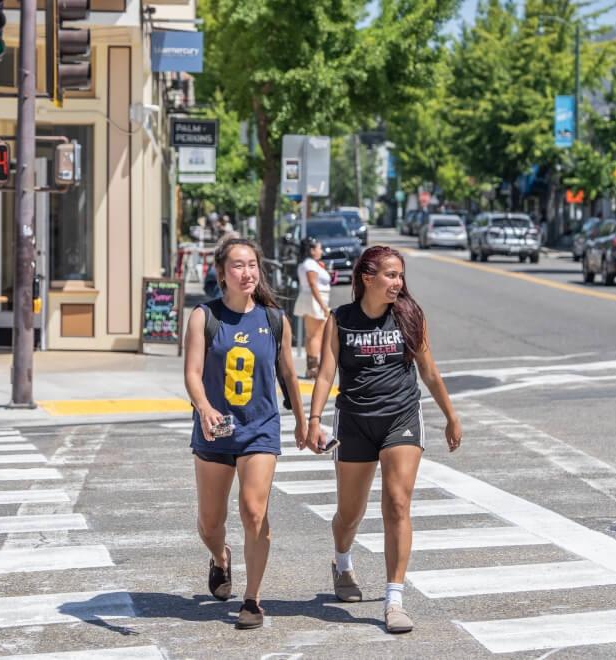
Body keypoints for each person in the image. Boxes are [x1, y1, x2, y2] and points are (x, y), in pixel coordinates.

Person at [304, 245, 462, 635]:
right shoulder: (340, 319)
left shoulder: (409, 316)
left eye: (401, 276)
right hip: (354, 422)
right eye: (391, 275)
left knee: (396, 503)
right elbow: (325, 375)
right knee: (349, 513)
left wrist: (451, 416)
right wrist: (312, 420)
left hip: (401, 418)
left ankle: (394, 599)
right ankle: (342, 561)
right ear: (367, 277)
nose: (398, 283)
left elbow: (430, 372)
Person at [183, 238, 307, 630]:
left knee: (254, 511)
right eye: (238, 265)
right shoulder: (205, 317)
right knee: (209, 521)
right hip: (215, 430)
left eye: (252, 264)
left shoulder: (274, 319)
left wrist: (305, 421)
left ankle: (252, 599)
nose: (247, 273)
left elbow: (288, 374)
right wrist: (204, 408)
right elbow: (191, 373)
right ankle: (221, 558)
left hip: (260, 428)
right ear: (222, 273)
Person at [293, 237, 332, 379]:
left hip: (311, 298)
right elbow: (313, 284)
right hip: (315, 298)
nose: (321, 251)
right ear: (312, 250)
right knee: (316, 335)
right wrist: (323, 306)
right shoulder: (310, 264)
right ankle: (314, 367)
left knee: (311, 335)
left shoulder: (308, 263)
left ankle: (311, 367)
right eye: (318, 248)